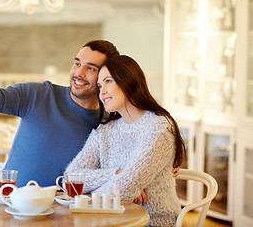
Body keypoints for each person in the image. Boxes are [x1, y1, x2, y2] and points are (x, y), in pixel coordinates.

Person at [0, 31, 120, 188]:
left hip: (65, 214)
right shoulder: (39, 95)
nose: (79, 73)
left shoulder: (108, 124)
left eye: (90, 68)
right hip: (10, 205)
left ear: (106, 77)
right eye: (77, 64)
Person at [65, 55, 186, 226]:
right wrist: (116, 174)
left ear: (128, 81)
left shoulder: (158, 127)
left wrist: (86, 196)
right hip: (109, 219)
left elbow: (123, 189)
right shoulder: (105, 130)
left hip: (151, 222)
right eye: (100, 86)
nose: (102, 92)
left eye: (108, 81)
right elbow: (70, 178)